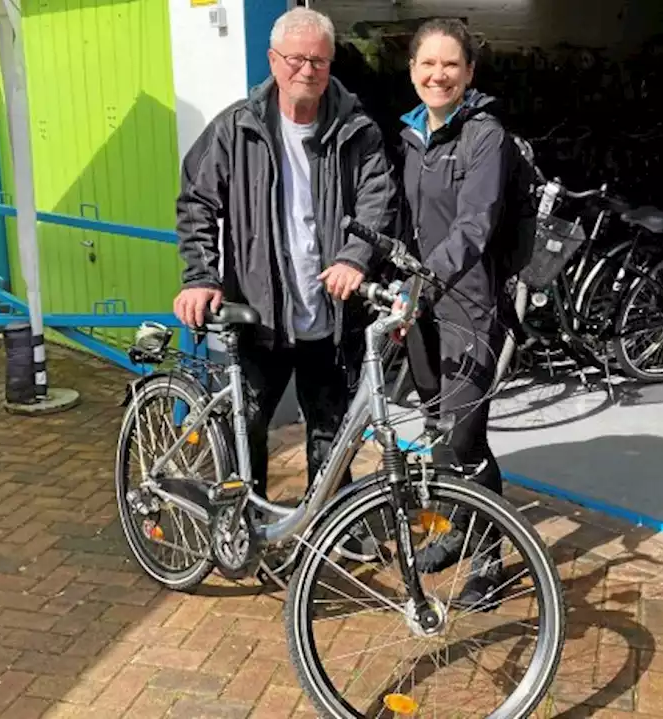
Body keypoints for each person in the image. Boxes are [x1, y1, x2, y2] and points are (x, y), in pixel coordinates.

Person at [172, 7, 398, 558]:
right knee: (245, 428)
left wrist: (355, 257)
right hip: (260, 313)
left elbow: (379, 199)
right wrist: (201, 277)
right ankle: (239, 527)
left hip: (329, 313)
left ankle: (330, 534)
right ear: (274, 61)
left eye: (319, 59)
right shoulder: (235, 128)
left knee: (331, 431)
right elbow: (198, 202)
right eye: (296, 58)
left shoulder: (356, 129)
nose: (308, 69)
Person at [398, 18, 515, 605]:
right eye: (427, 64)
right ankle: (451, 532)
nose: (438, 74)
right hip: (422, 307)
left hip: (469, 305)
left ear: (469, 72)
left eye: (451, 64)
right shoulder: (411, 136)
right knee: (438, 431)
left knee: (465, 439)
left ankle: (489, 559)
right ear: (412, 70)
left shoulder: (485, 135)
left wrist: (422, 280)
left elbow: (475, 223)